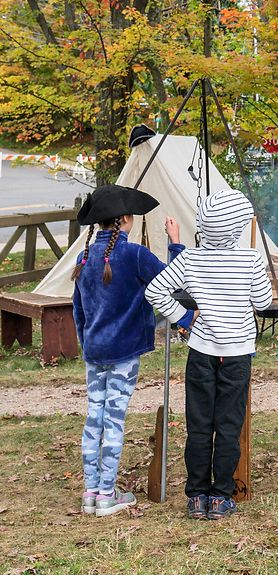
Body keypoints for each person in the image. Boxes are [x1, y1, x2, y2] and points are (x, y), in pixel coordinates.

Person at [145, 189, 274, 520]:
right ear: (237, 227)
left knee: (199, 426)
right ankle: (220, 497)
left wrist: (185, 318)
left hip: (201, 352)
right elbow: (262, 303)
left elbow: (155, 291)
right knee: (229, 426)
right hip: (237, 354)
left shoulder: (190, 258)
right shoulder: (250, 259)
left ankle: (196, 496)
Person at [72, 185, 183, 517]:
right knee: (114, 420)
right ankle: (107, 495)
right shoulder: (134, 254)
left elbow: (79, 310)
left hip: (94, 350)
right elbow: (174, 280)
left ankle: (91, 493)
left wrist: (86, 340)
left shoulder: (84, 257)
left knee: (94, 420)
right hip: (124, 353)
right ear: (124, 220)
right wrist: (174, 241)